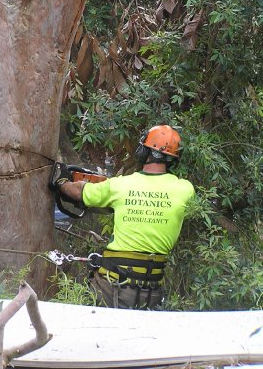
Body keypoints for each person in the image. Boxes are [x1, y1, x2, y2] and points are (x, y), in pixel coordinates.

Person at [50, 125, 195, 310]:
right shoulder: (185, 189)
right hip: (150, 290)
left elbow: (78, 193)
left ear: (143, 151)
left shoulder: (120, 186)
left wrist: (61, 181)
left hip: (112, 286)